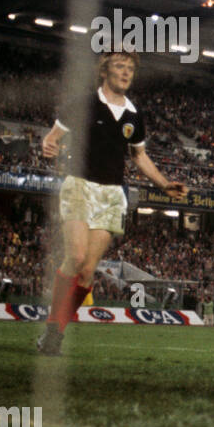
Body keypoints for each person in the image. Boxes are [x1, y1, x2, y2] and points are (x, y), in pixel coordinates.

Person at [36, 51, 187, 355]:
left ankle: (56, 332)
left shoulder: (134, 115)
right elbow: (53, 136)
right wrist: (48, 144)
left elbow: (139, 155)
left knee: (89, 271)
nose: (126, 71)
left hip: (111, 194)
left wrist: (163, 184)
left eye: (130, 67)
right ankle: (52, 328)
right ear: (105, 71)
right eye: (120, 65)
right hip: (80, 184)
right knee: (76, 257)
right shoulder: (84, 102)